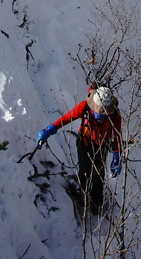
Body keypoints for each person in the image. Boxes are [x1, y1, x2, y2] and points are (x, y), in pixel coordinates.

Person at [37, 85, 122, 214]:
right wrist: (50, 129)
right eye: (99, 112)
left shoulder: (114, 115)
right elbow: (67, 118)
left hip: (101, 148)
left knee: (99, 177)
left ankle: (96, 205)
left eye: (103, 113)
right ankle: (82, 197)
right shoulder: (85, 107)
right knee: (85, 172)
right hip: (84, 144)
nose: (101, 115)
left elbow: (117, 135)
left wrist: (117, 154)